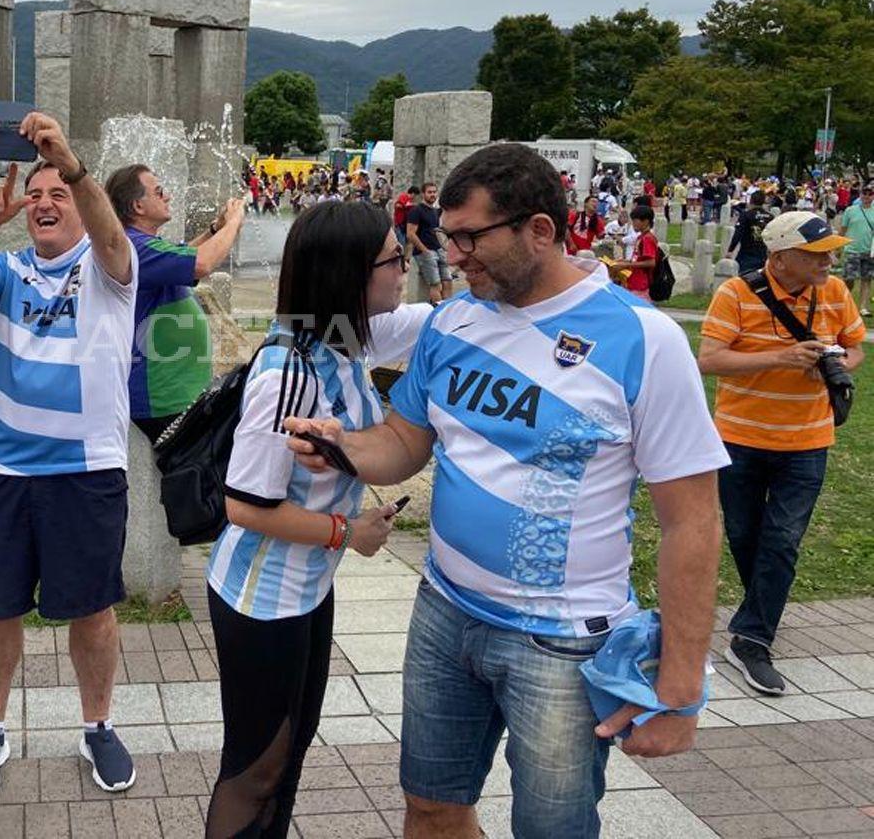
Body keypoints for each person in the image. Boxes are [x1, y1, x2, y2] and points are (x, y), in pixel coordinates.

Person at [284, 144, 727, 839]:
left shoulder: (645, 340)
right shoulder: (452, 323)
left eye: (469, 237)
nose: (452, 255)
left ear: (539, 231)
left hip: (561, 642)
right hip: (444, 613)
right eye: (446, 235)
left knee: (552, 829)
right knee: (430, 809)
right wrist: (338, 445)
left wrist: (680, 684)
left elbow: (692, 522)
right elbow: (404, 442)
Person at [205, 201, 422, 838]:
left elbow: (442, 319)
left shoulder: (350, 342)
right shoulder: (289, 371)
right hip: (259, 601)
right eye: (393, 258)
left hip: (307, 590)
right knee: (256, 767)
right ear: (351, 273)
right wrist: (348, 534)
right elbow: (242, 505)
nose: (405, 267)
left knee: (293, 751)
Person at [0, 112, 138, 799]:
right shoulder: (9, 266)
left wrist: (70, 161)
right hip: (4, 469)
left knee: (91, 609)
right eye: (38, 193)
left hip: (86, 471)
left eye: (60, 193)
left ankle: (98, 724)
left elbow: (113, 235)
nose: (47, 203)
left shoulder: (111, 268)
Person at [698, 211, 865, 695]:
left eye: (831, 252)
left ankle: (751, 639)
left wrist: (839, 363)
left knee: (783, 540)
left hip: (808, 441)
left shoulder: (834, 292)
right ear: (782, 257)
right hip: (740, 437)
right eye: (819, 254)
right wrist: (780, 357)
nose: (830, 261)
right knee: (745, 533)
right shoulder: (736, 293)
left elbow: (855, 347)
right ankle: (761, 609)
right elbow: (709, 360)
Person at [102, 163, 246, 440]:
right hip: (162, 400)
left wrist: (217, 228)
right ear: (138, 206)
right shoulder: (136, 248)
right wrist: (236, 220)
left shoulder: (141, 245)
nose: (167, 196)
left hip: (176, 396)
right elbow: (201, 263)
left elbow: (184, 254)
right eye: (158, 192)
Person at [404, 182, 452, 303]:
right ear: (423, 194)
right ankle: (439, 313)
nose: (432, 194)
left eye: (434, 192)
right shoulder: (416, 210)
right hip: (425, 252)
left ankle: (449, 310)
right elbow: (410, 233)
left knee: (448, 281)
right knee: (436, 285)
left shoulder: (435, 211)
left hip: (438, 249)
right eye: (429, 192)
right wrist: (425, 250)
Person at [835, 184, 874, 316]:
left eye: (870, 194)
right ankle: (844, 301)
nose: (867, 196)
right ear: (860, 194)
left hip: (869, 249)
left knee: (866, 279)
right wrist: (838, 247)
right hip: (852, 248)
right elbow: (843, 229)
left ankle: (863, 307)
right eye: (865, 193)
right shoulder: (850, 210)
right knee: (849, 278)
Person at [613, 205, 660, 302]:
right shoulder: (640, 237)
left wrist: (627, 264)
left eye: (635, 221)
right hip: (633, 282)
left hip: (640, 284)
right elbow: (638, 259)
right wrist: (624, 261)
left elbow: (651, 262)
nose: (633, 223)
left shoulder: (647, 239)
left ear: (646, 221)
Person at [727, 190, 773, 274]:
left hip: (747, 253)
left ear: (751, 200)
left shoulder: (746, 215)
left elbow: (738, 233)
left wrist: (730, 250)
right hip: (763, 253)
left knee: (744, 279)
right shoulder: (770, 217)